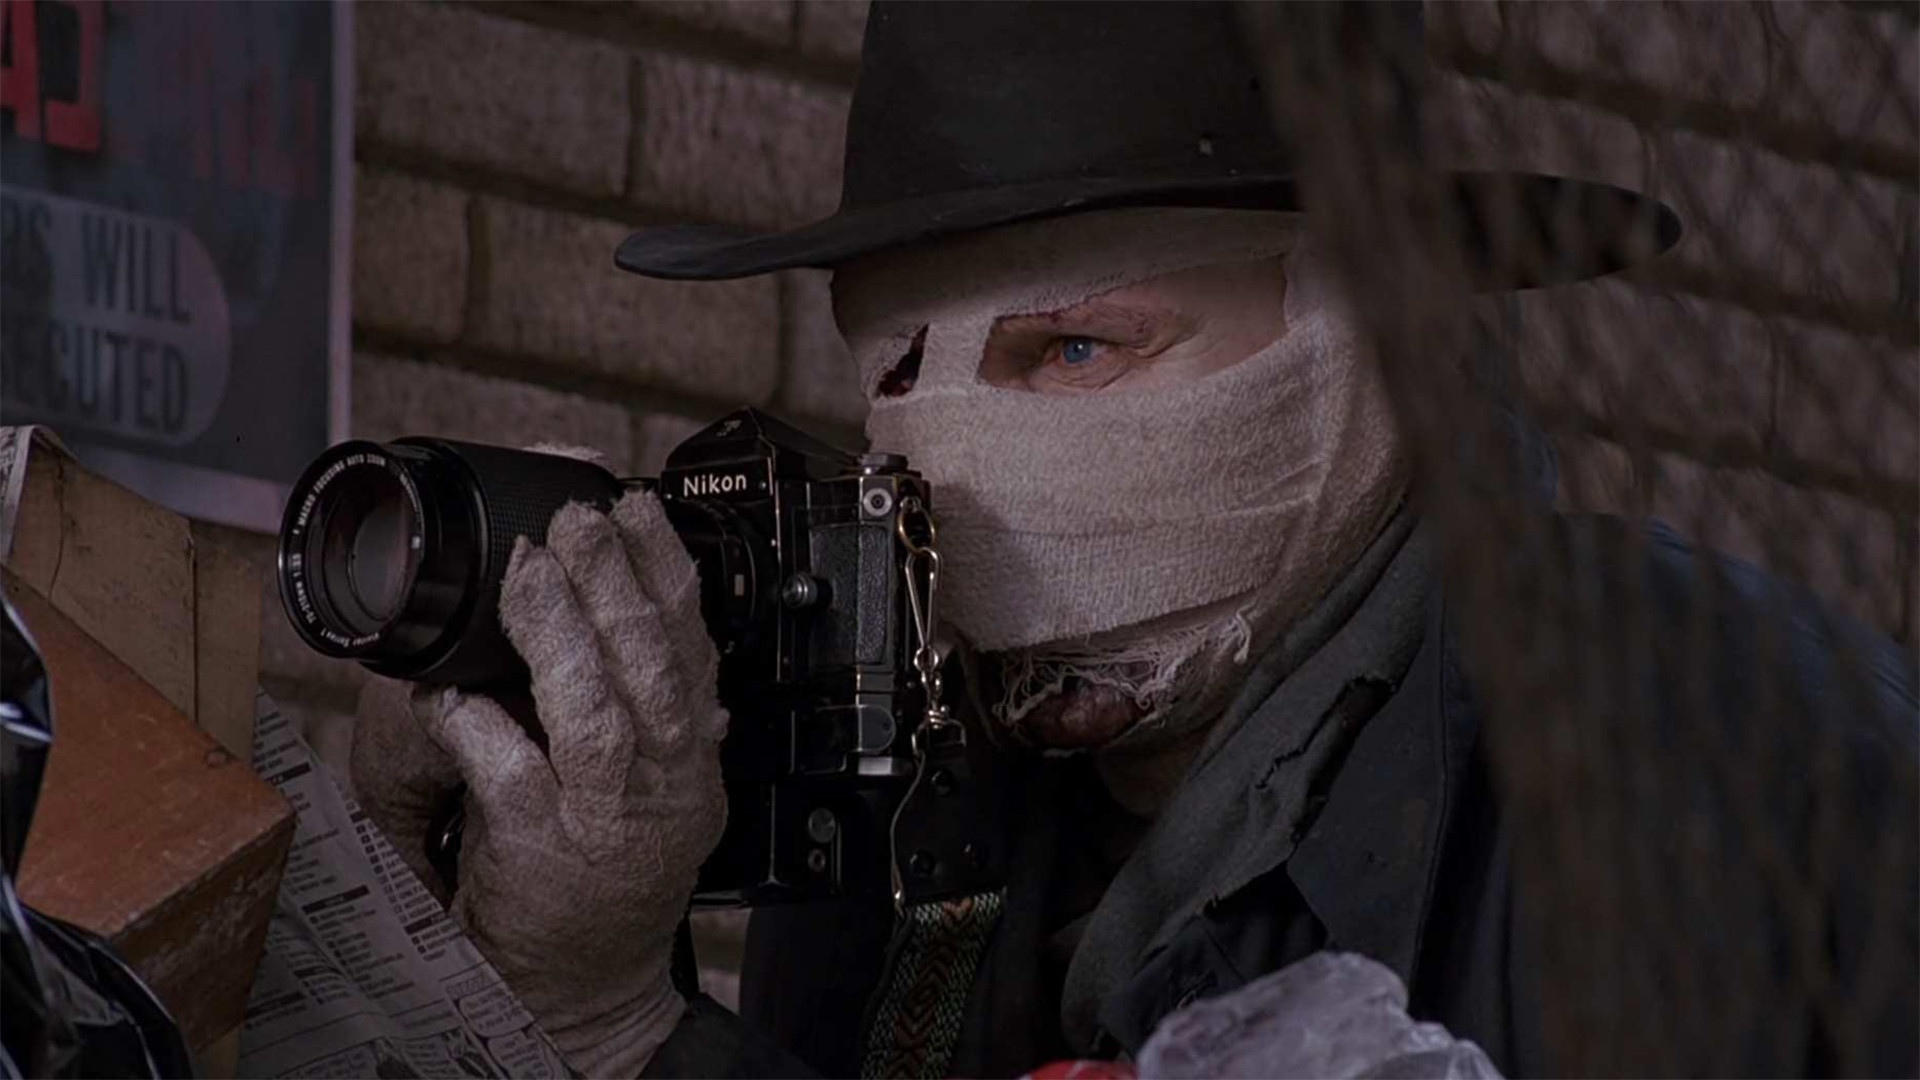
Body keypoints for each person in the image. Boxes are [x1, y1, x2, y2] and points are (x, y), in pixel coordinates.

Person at [350, 3, 1918, 1078]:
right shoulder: (896, 838)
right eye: (900, 373)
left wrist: (631, 1042)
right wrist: (508, 995)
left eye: (1076, 348)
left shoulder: (1712, 753)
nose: (949, 456)